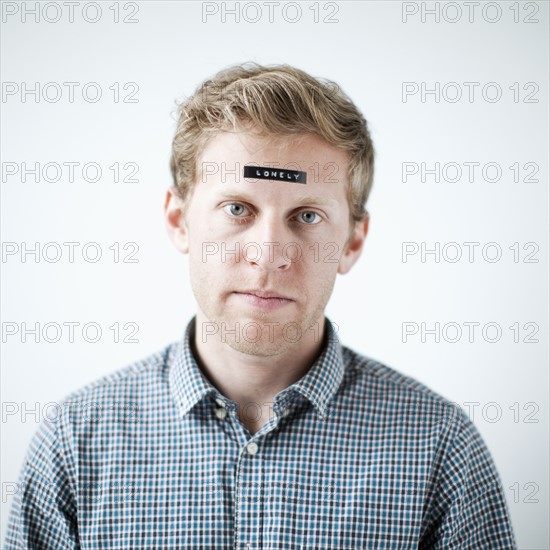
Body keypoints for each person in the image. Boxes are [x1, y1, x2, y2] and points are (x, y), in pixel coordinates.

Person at [5, 62, 517, 549]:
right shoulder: (75, 440)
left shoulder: (439, 447)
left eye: (307, 216)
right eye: (236, 208)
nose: (269, 255)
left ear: (354, 241)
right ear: (179, 220)